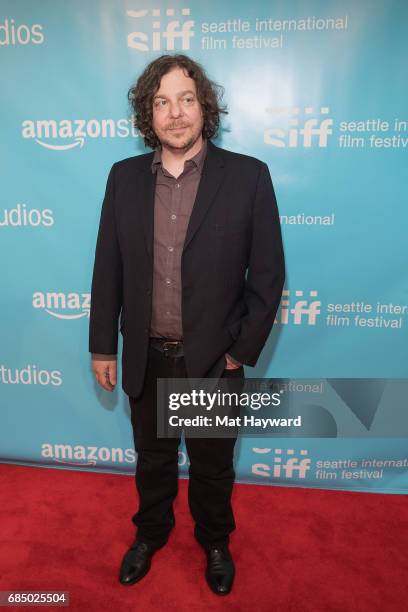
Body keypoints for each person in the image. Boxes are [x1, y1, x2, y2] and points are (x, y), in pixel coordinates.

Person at [89, 53, 285, 596]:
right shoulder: (124, 178)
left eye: (185, 99)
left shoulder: (248, 176)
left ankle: (216, 542)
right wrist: (103, 346)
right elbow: (107, 266)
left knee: (212, 465)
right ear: (147, 115)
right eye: (161, 101)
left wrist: (238, 353)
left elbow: (267, 276)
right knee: (152, 459)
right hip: (146, 355)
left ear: (205, 106)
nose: (174, 112)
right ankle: (150, 534)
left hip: (212, 362)